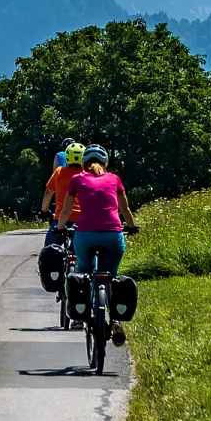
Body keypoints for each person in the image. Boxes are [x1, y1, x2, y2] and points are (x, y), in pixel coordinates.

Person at [61, 144, 138, 347]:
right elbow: (125, 208)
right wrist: (132, 226)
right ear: (105, 163)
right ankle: (115, 320)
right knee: (111, 276)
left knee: (84, 273)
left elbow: (67, 211)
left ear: (84, 164)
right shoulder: (114, 179)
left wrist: (59, 227)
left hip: (85, 236)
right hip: (112, 235)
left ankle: (80, 315)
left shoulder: (77, 179)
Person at [41, 141, 85, 249]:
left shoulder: (59, 171)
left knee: (48, 250)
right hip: (84, 221)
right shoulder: (88, 174)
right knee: (87, 253)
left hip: (61, 221)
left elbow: (48, 193)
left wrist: (45, 210)